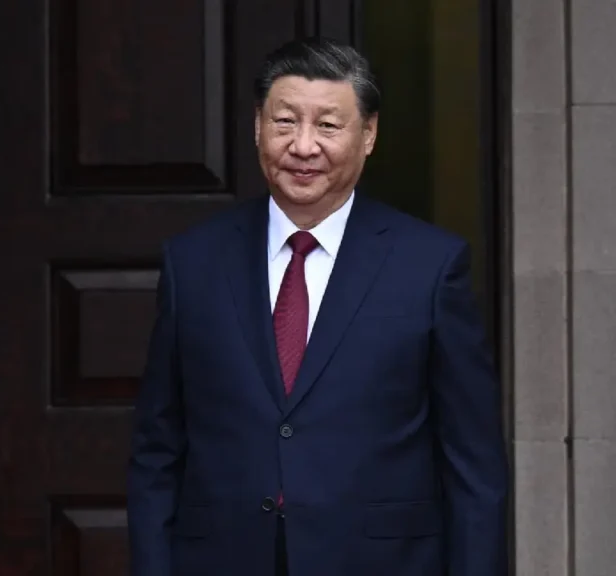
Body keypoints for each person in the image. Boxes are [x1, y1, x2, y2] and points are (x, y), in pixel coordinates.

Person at [127, 37, 508, 576]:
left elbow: (473, 465)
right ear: (258, 125)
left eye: (328, 126)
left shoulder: (430, 265)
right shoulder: (194, 262)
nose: (303, 146)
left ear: (368, 134)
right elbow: (156, 452)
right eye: (285, 122)